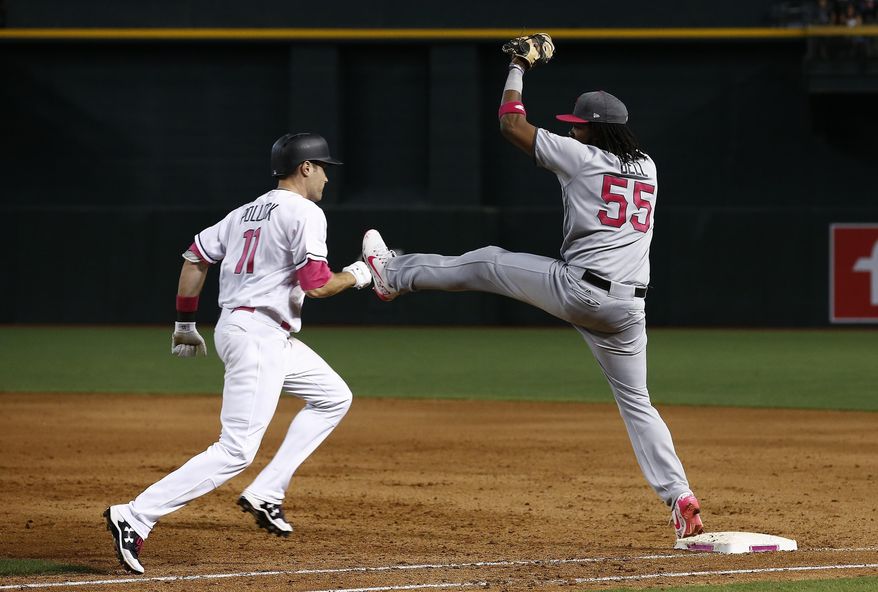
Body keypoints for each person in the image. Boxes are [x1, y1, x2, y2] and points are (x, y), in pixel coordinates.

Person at [361, 35, 704, 540]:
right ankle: (680, 497)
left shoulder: (580, 157)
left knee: (486, 262)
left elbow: (510, 122)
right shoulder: (648, 166)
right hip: (630, 309)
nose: (574, 131)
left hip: (579, 289)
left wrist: (519, 65)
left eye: (579, 125)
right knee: (638, 403)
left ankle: (391, 276)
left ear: (592, 129)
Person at [103, 133, 372, 574]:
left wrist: (185, 323)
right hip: (258, 336)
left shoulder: (243, 213)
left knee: (333, 397)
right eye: (323, 166)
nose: (326, 175)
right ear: (305, 168)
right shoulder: (305, 211)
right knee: (235, 450)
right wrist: (358, 275)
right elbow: (318, 284)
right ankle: (135, 514)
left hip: (255, 331)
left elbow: (195, 258)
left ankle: (267, 490)